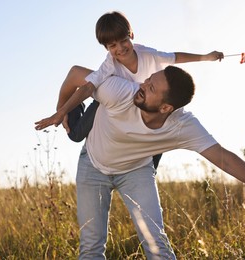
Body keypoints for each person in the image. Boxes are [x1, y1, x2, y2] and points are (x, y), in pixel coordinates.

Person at [35, 65, 245, 259]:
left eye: (150, 87)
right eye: (148, 80)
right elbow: (75, 74)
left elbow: (224, 158)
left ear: (166, 108)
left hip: (136, 171)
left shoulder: (183, 125)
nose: (142, 86)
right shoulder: (119, 89)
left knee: (157, 245)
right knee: (91, 248)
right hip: (94, 166)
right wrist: (61, 111)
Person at [57, 11, 224, 169]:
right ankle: (77, 108)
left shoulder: (148, 55)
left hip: (141, 106)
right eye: (113, 46)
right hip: (109, 103)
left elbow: (175, 57)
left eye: (123, 40)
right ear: (106, 48)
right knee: (76, 135)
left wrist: (205, 57)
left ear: (131, 35)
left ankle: (150, 169)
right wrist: (63, 109)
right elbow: (88, 87)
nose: (120, 48)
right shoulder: (109, 64)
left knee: (158, 128)